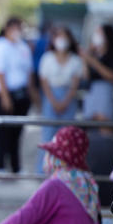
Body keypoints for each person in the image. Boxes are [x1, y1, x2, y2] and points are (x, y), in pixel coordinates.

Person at [0, 16, 39, 173]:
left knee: (16, 132)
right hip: (3, 93)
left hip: (21, 94)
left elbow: (28, 72)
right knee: (2, 132)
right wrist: (5, 97)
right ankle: (0, 165)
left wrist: (32, 95)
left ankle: (16, 166)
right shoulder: (0, 47)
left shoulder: (22, 47)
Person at [37, 26, 83, 171]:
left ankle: (65, 169)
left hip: (68, 98)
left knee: (67, 136)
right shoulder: (48, 58)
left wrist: (65, 101)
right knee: (48, 135)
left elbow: (75, 83)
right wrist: (54, 101)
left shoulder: (75, 60)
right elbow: (44, 82)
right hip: (51, 97)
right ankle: (43, 170)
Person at [81, 24, 113, 121]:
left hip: (106, 93)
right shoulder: (94, 54)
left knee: (104, 125)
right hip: (92, 93)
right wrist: (86, 59)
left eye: (99, 33)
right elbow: (86, 77)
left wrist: (93, 62)